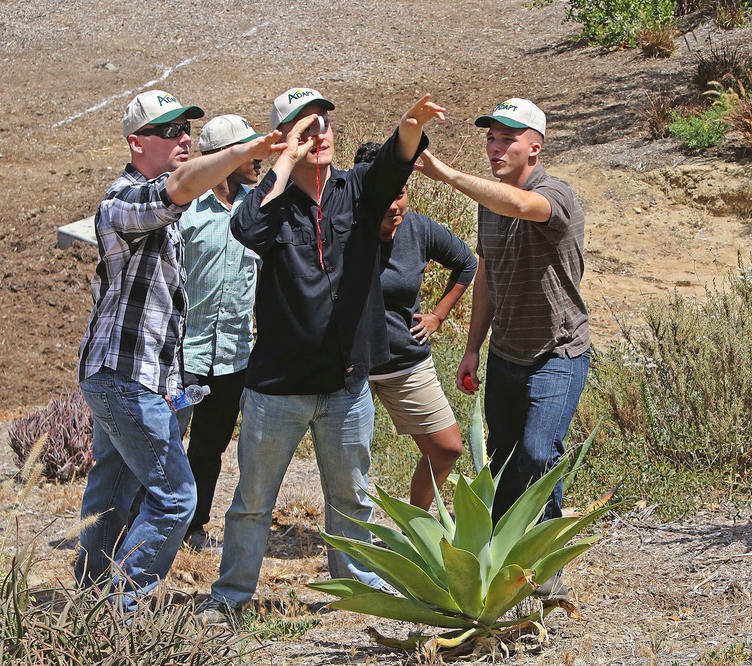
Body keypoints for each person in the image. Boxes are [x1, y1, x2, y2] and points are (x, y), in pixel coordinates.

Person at [200, 89, 445, 624]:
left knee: (351, 500)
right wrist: (283, 162)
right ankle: (232, 596)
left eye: (324, 124)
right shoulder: (272, 201)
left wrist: (410, 124)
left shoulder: (358, 190)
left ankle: (355, 587)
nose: (319, 135)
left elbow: (394, 161)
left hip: (346, 384)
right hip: (277, 388)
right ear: (287, 140)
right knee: (252, 504)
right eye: (305, 129)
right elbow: (246, 229)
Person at [75, 90, 280, 609]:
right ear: (136, 143)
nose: (183, 137)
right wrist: (242, 150)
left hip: (136, 375)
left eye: (186, 128)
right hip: (126, 374)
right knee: (175, 497)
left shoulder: (161, 199)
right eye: (169, 131)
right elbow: (176, 192)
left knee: (115, 487)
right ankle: (123, 607)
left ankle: (91, 595)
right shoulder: (124, 198)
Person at [416, 98, 590, 599]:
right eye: (491, 138)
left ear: (534, 147)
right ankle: (503, 563)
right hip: (506, 353)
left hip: (559, 351)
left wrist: (445, 174)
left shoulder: (554, 194)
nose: (495, 147)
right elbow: (487, 272)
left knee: (539, 453)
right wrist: (473, 347)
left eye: (507, 139)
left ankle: (543, 562)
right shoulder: (488, 205)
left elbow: (519, 206)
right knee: (505, 457)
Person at [354, 142, 477, 510]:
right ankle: (350, 542)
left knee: (447, 449)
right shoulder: (341, 229)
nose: (394, 205)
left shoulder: (418, 229)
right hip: (351, 368)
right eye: (384, 195)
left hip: (404, 363)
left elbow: (466, 263)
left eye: (401, 193)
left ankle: (415, 531)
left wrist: (438, 315)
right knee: (346, 461)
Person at [176, 114, 265, 551]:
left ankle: (194, 526)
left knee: (209, 447)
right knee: (164, 442)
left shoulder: (259, 208)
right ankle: (143, 525)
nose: (259, 159)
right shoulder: (186, 212)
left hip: (234, 357)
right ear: (223, 157)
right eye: (249, 151)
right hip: (182, 356)